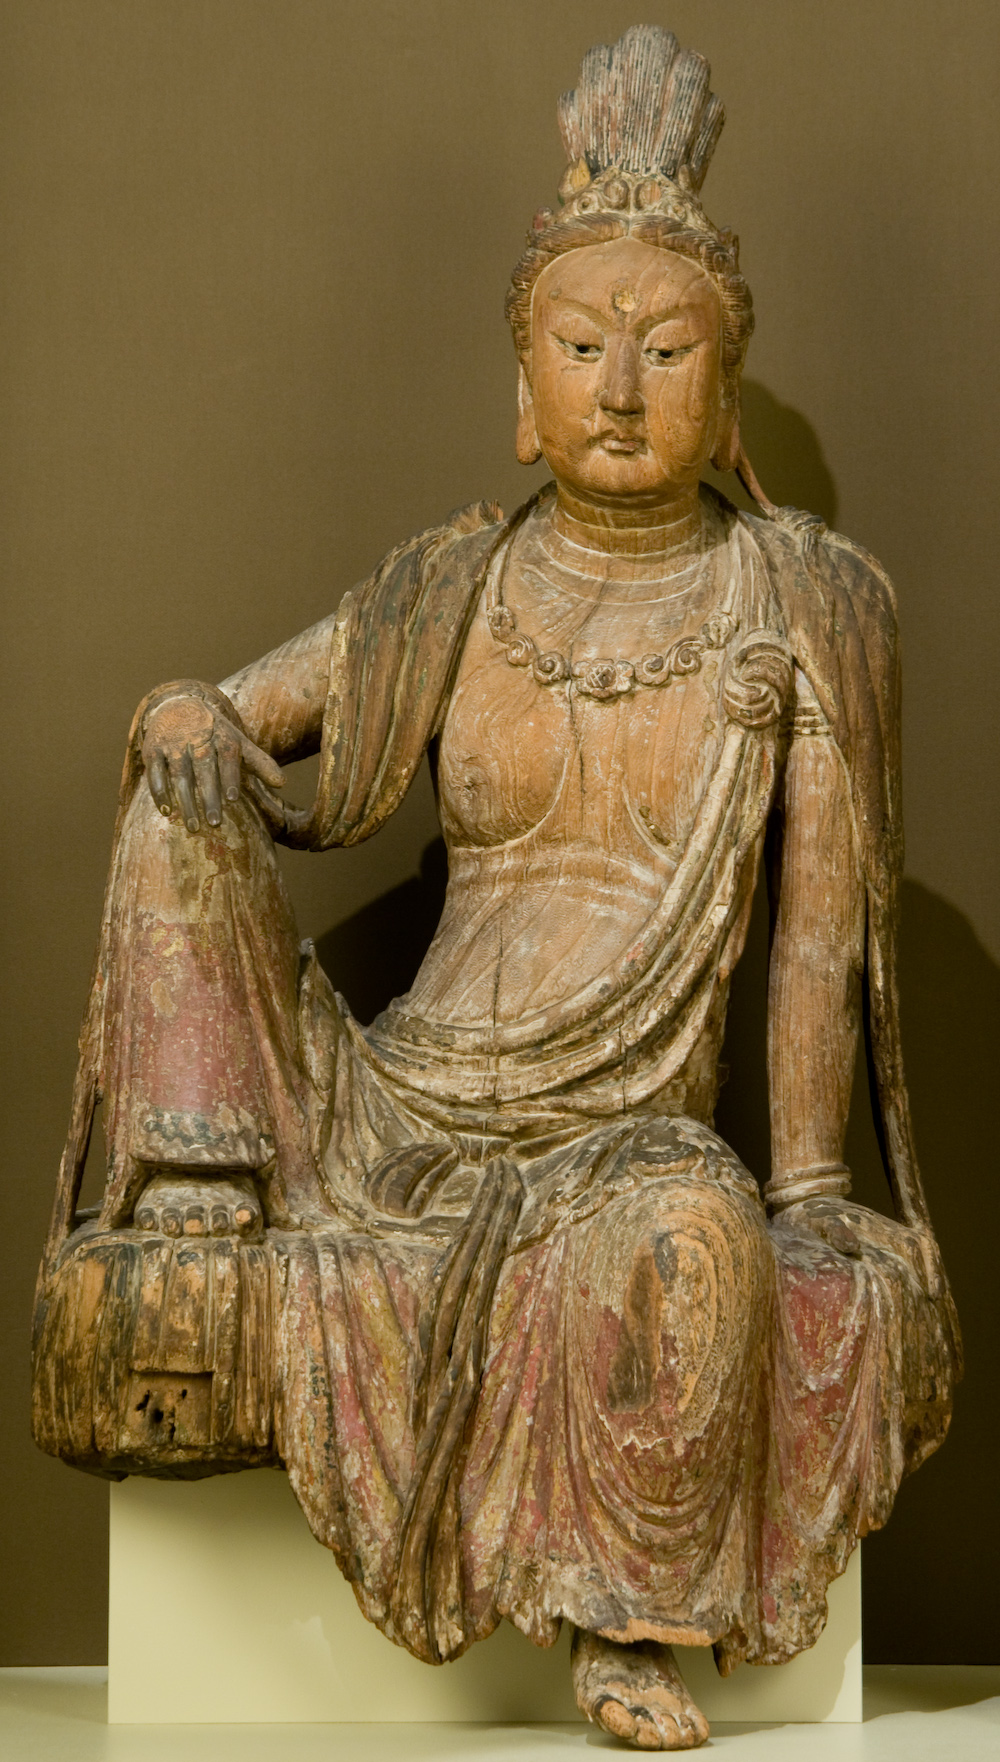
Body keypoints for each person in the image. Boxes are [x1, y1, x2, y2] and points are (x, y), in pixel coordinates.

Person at [33, 26, 958, 1751]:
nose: (620, 387)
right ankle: (201, 1192)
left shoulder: (806, 607)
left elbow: (822, 944)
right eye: (582, 347)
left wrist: (816, 1182)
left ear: (724, 387)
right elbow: (235, 715)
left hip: (621, 1147)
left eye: (665, 349)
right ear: (521, 386)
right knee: (177, 796)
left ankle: (633, 1623)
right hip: (396, 1108)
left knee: (694, 1230)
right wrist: (186, 718)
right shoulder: (455, 584)